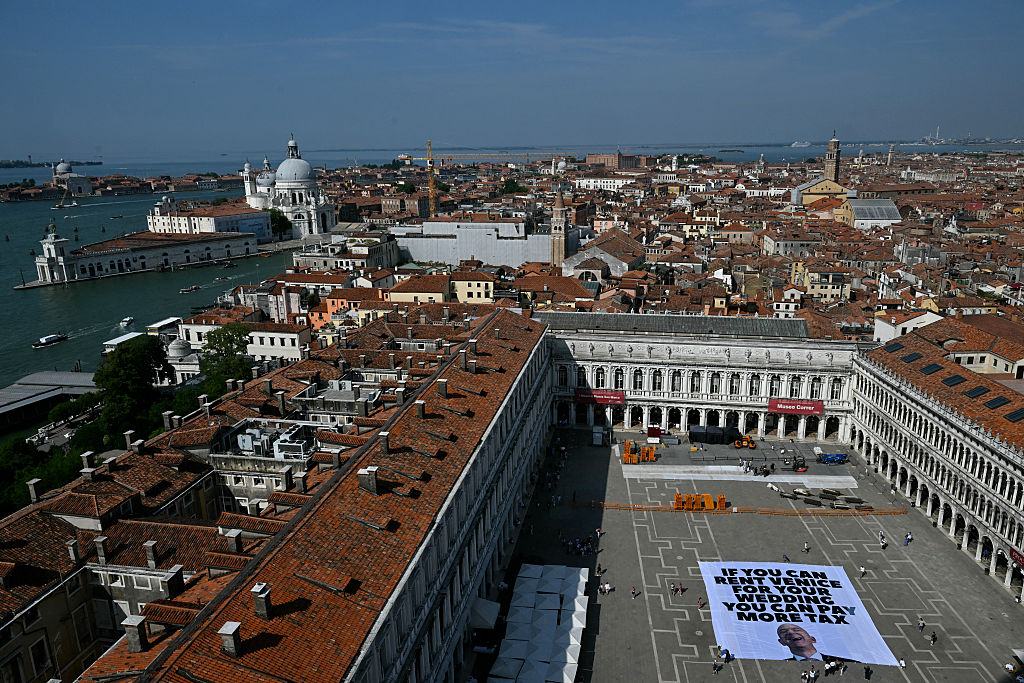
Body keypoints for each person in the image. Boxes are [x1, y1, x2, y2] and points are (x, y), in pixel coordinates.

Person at [777, 623, 851, 663]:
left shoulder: (847, 662)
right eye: (783, 632)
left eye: (796, 630)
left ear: (812, 639)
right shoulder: (780, 666)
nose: (790, 632)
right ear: (782, 642)